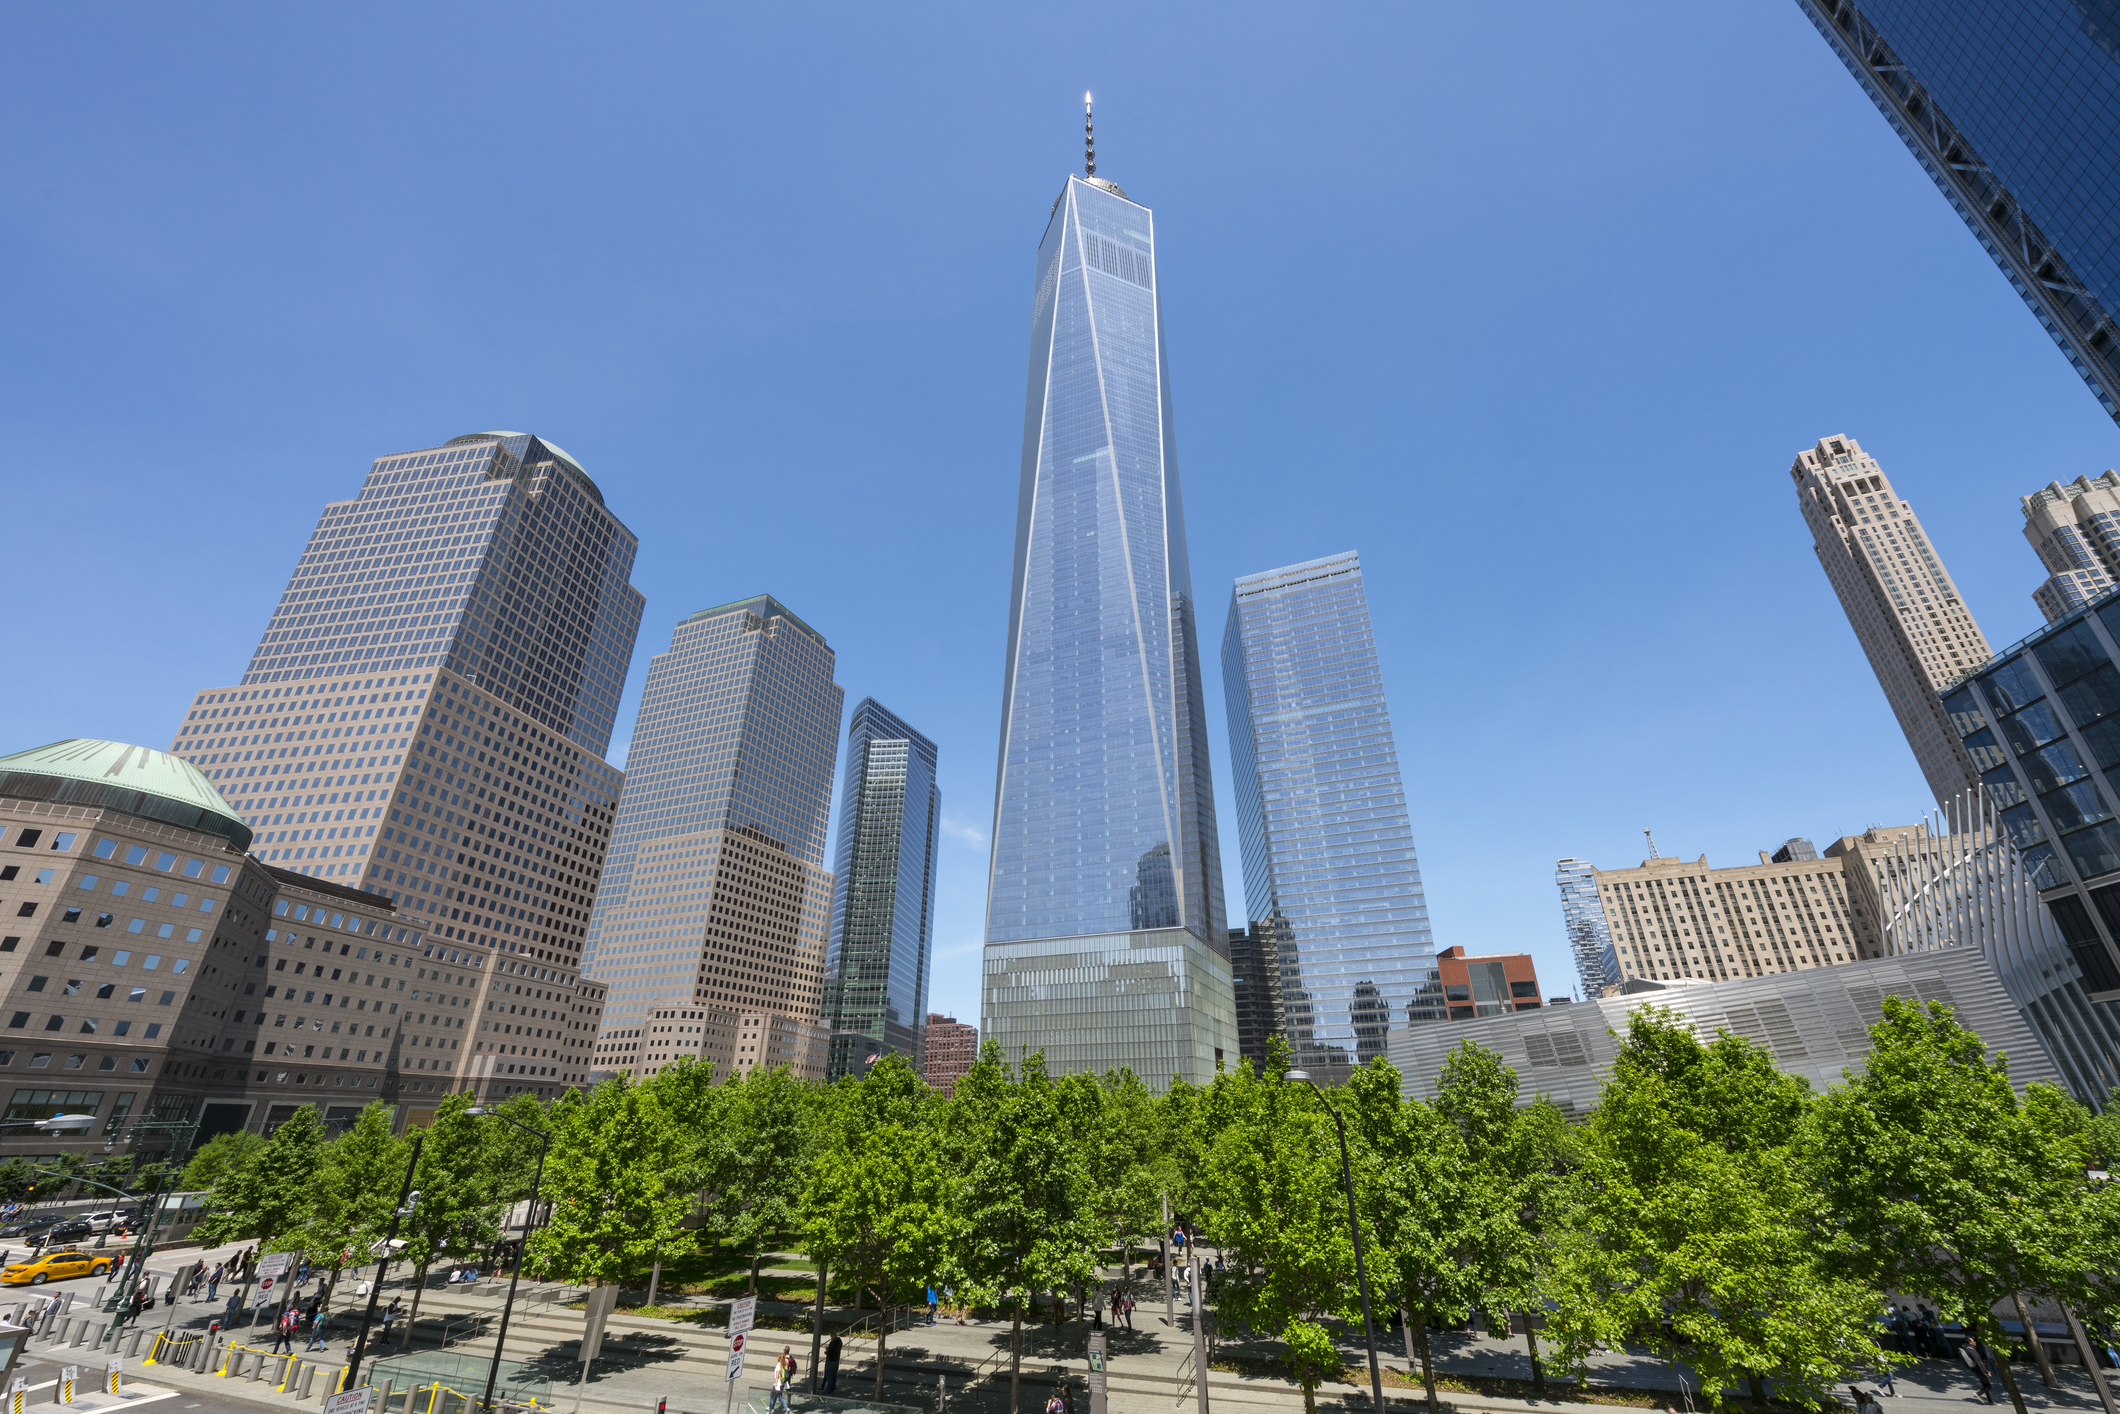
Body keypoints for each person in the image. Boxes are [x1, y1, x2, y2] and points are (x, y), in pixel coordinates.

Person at [1960, 1335, 1996, 1405]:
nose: (1975, 1342)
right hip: (1979, 1370)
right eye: (1973, 1341)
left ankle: (1990, 1401)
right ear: (1970, 1342)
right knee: (1989, 1386)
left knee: (1985, 1385)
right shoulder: (1971, 1350)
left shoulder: (1965, 1349)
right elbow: (1979, 1362)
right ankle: (1978, 1393)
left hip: (1975, 1370)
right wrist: (1986, 1371)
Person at [771, 1348, 796, 1414]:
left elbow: (776, 1377)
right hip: (783, 1382)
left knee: (772, 1397)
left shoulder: (779, 1365)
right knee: (779, 1397)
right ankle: (786, 1408)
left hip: (778, 1383)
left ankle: (771, 1410)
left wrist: (775, 1385)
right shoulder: (785, 1363)